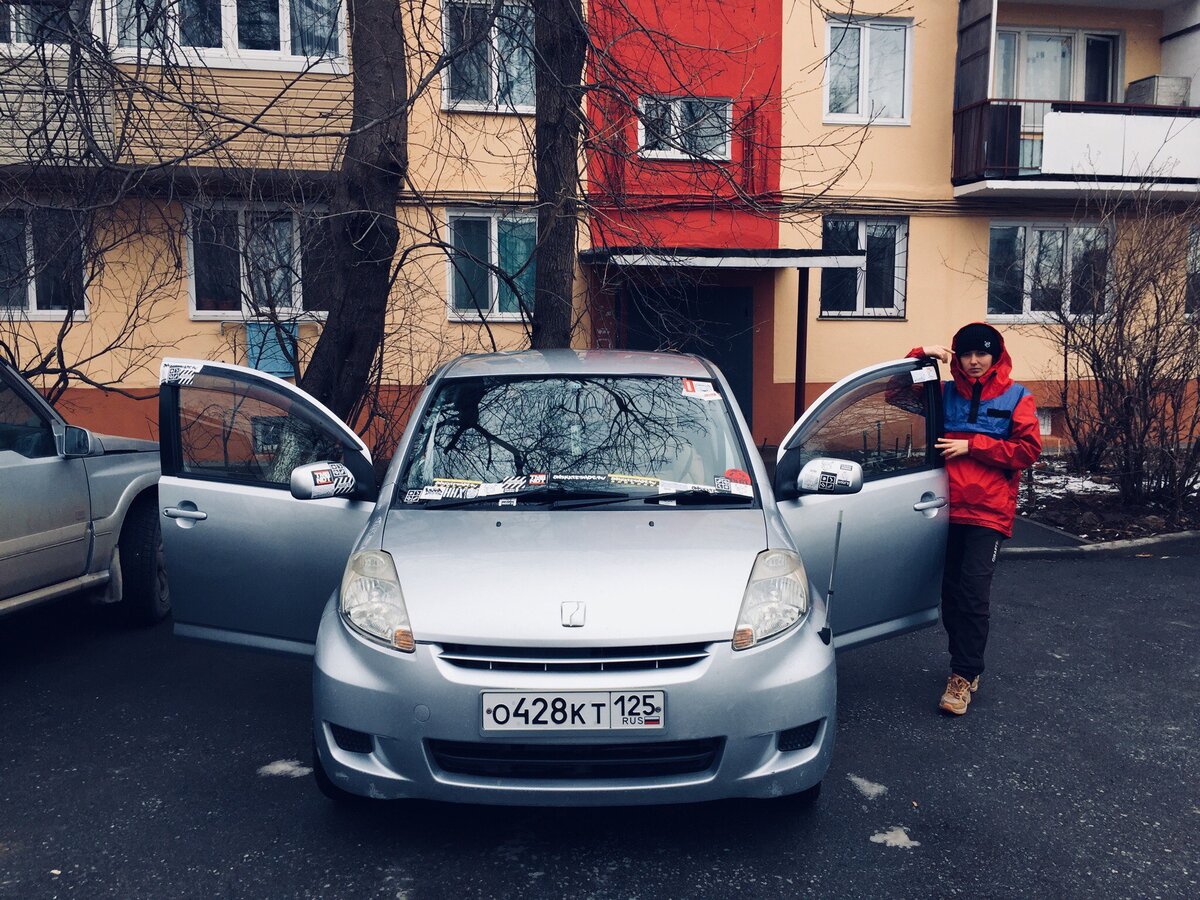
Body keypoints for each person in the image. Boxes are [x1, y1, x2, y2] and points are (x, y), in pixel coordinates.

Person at [909, 323, 1041, 716]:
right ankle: (965, 663)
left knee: (973, 592)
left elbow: (1027, 450)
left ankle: (963, 675)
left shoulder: (1018, 397)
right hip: (945, 508)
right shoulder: (944, 393)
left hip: (988, 511)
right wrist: (919, 356)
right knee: (951, 594)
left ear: (996, 356)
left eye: (981, 353)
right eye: (966, 354)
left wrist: (972, 446)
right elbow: (897, 394)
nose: (974, 361)